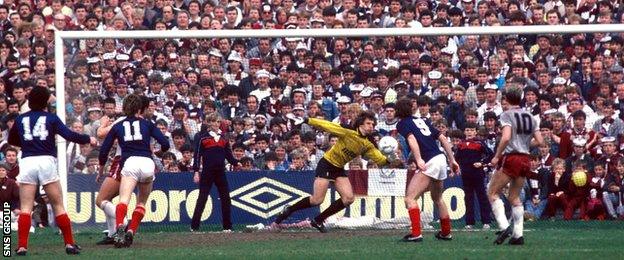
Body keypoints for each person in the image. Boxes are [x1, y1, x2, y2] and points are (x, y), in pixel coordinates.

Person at [274, 111, 401, 232]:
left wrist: (390, 160)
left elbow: (378, 159)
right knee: (317, 200)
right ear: (361, 123)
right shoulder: (348, 131)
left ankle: (318, 220)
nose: (371, 126)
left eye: (373, 124)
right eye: (368, 123)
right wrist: (307, 120)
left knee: (348, 198)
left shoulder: (368, 143)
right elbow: (328, 126)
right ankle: (289, 209)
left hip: (338, 168)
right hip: (326, 164)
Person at [8, 87, 96, 255]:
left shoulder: (21, 119)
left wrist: (28, 142)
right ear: (44, 101)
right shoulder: (51, 118)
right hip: (46, 161)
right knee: (58, 204)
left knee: (26, 206)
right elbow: (69, 135)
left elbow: (12, 139)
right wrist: (88, 139)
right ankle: (69, 244)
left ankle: (22, 246)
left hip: (27, 160)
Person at [98, 94, 170, 248]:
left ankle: (119, 230)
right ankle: (131, 231)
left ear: (124, 108)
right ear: (139, 109)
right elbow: (165, 143)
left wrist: (101, 169)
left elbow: (104, 150)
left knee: (123, 200)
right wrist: (159, 151)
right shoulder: (148, 124)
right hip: (147, 163)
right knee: (141, 202)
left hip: (129, 163)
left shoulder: (118, 125)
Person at [394, 98, 460, 242]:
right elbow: (442, 138)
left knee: (410, 198)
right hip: (441, 159)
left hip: (430, 161)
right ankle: (446, 232)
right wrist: (452, 159)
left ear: (398, 111)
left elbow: (411, 139)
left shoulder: (402, 124)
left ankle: (416, 233)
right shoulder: (421, 120)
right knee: (437, 198)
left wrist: (418, 159)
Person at [487, 86, 544, 245]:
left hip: (512, 157)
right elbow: (540, 141)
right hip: (526, 158)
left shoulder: (507, 114)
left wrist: (497, 156)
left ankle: (505, 226)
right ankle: (518, 235)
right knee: (514, 197)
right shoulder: (531, 117)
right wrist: (525, 144)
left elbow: (505, 138)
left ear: (507, 99)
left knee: (492, 192)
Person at [94, 95, 151, 245]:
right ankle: (113, 233)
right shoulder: (145, 124)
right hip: (144, 162)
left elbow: (101, 134)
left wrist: (102, 124)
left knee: (101, 200)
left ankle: (122, 222)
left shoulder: (122, 121)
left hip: (123, 162)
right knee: (136, 201)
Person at [190, 112, 240, 232]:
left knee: (225, 198)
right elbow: (197, 155)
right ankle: (194, 226)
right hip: (207, 172)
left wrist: (236, 162)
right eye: (213, 121)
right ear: (209, 123)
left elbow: (228, 154)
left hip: (220, 172)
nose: (216, 124)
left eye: (218, 122)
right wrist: (196, 171)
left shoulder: (223, 138)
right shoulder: (203, 138)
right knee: (202, 198)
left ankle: (227, 226)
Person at [455, 122, 493, 229]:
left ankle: (486, 221)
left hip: (478, 173)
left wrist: (482, 163)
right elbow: (456, 158)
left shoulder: (479, 143)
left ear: (475, 132)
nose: (469, 132)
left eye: (471, 130)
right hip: (466, 174)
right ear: (464, 132)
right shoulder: (461, 144)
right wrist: (455, 168)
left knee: (482, 196)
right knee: (468, 198)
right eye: (467, 130)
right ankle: (469, 222)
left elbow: (490, 155)